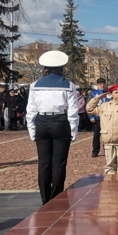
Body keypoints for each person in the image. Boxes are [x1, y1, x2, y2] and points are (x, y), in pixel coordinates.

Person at [26, 50, 79, 204]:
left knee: (43, 163)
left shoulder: (35, 85)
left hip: (42, 122)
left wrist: (31, 130)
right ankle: (56, 197)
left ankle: (44, 198)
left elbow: (30, 110)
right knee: (59, 163)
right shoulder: (69, 85)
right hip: (61, 123)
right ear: (62, 68)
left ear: (46, 69)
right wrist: (73, 130)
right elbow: (73, 111)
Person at [86, 85, 118, 174]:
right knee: (110, 167)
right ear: (111, 94)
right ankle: (110, 186)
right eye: (116, 93)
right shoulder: (104, 106)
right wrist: (97, 98)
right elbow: (89, 109)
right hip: (108, 140)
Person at [89, 78, 110, 158]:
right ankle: (95, 151)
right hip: (97, 118)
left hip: (107, 118)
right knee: (96, 136)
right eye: (100, 84)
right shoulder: (93, 93)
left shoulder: (109, 93)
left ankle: (107, 150)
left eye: (103, 84)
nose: (102, 85)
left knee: (107, 135)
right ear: (97, 85)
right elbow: (89, 105)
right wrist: (91, 116)